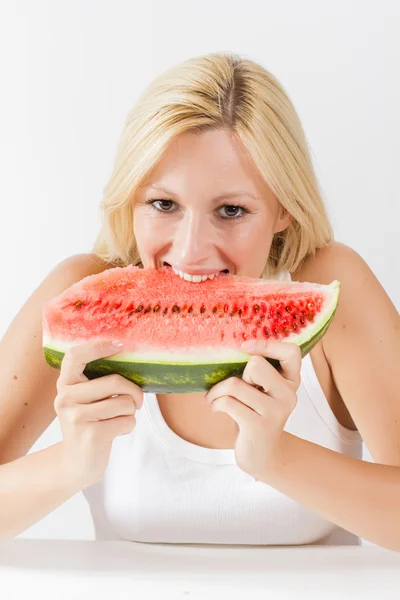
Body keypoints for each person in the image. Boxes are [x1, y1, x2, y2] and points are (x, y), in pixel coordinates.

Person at [0, 51, 399, 549]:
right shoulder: (77, 294)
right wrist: (70, 462)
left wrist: (277, 458)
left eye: (231, 210)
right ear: (131, 200)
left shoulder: (333, 289)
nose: (190, 251)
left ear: (284, 211)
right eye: (163, 204)